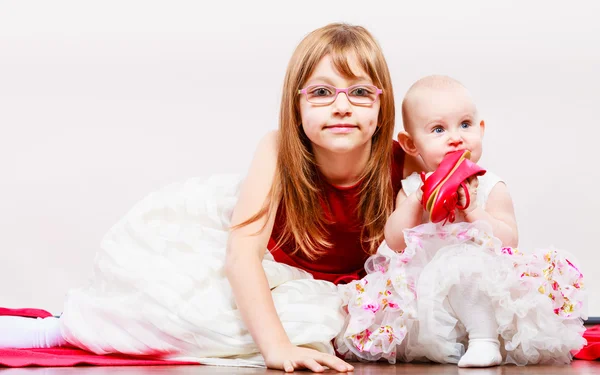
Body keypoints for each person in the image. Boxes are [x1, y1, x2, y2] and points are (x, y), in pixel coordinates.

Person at [0, 23, 413, 373]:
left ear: (381, 104)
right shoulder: (278, 151)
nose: (341, 106)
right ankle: (56, 329)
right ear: (296, 106)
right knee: (180, 315)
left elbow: (452, 215)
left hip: (331, 288)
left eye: (359, 92)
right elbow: (241, 257)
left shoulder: (400, 162)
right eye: (322, 93)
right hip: (260, 263)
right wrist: (277, 349)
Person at [335, 75, 587, 367]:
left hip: (478, 282)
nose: (456, 137)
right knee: (408, 297)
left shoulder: (491, 185)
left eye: (465, 125)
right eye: (438, 129)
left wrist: (474, 213)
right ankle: (447, 344)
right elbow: (393, 241)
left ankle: (485, 341)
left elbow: (509, 240)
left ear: (480, 129)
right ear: (411, 144)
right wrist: (419, 200)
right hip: (429, 285)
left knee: (465, 267)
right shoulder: (412, 187)